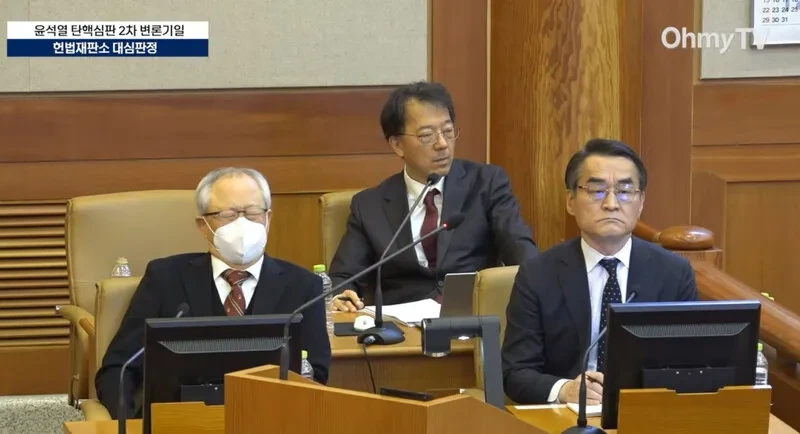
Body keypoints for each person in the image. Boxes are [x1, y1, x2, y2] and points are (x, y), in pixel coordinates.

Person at [95, 167, 331, 418]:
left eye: (252, 213)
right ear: (203, 225)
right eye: (228, 215)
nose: (242, 224)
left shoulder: (303, 286)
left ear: (268, 219)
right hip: (179, 423)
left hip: (270, 420)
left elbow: (316, 372)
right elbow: (118, 368)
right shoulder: (165, 278)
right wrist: (128, 423)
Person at [501, 139, 698, 405]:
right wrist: (565, 390)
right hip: (567, 416)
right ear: (571, 201)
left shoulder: (674, 273)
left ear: (641, 202)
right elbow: (515, 372)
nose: (611, 203)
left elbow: (690, 366)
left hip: (646, 412)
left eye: (625, 191)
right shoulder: (537, 274)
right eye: (597, 190)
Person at [330, 81, 538, 310]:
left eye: (448, 132)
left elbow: (521, 250)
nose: (442, 144)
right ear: (397, 145)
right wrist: (341, 296)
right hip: (400, 328)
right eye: (427, 135)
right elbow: (343, 278)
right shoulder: (370, 206)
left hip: (473, 320)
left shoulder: (487, 184)